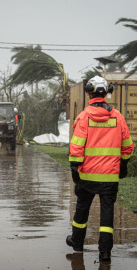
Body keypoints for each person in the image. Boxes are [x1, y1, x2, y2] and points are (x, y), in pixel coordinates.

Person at [66, 76, 134, 261]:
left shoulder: (84, 117)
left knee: (82, 209)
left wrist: (74, 168)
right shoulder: (118, 117)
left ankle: (77, 243)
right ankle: (105, 252)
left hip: (87, 176)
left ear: (89, 93)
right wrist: (124, 164)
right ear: (107, 92)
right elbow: (127, 146)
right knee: (107, 215)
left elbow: (77, 146)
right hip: (110, 178)